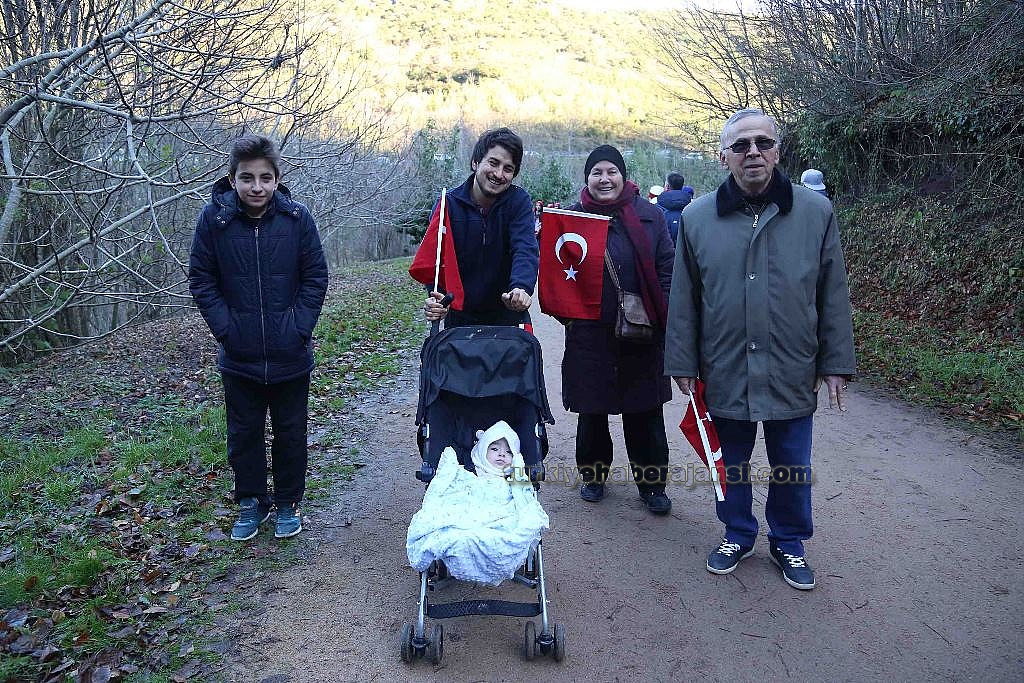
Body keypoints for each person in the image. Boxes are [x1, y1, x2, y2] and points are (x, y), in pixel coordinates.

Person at [664, 109, 855, 590]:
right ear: (724, 156)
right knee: (731, 461)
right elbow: (684, 297)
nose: (753, 152)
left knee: (792, 463)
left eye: (763, 143)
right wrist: (683, 362)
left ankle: (788, 540)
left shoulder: (814, 213)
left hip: (792, 364)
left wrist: (835, 362)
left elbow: (832, 291)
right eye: (741, 145)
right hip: (725, 365)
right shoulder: (697, 218)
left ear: (777, 151)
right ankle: (737, 532)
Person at [189, 134, 328, 541]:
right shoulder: (213, 221)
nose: (256, 187)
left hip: (290, 355)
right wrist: (227, 330)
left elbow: (315, 276)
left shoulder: (297, 219)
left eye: (265, 178)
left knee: (290, 432)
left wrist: (298, 328)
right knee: (244, 434)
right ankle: (251, 501)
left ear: (277, 179)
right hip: (239, 356)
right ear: (232, 178)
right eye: (247, 178)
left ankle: (287, 502)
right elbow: (201, 279)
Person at [560, 145, 675, 515]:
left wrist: (663, 312)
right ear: (587, 178)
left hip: (642, 330)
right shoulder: (573, 218)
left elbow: (667, 267)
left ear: (624, 176)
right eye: (597, 172)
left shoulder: (651, 216)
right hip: (590, 333)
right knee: (592, 411)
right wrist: (569, 315)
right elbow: (557, 274)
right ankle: (593, 476)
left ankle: (652, 485)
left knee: (645, 412)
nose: (604, 179)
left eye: (611, 171)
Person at [406, 421, 550, 585]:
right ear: (482, 450)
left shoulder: (513, 478)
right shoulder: (464, 473)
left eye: (509, 452)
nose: (501, 454)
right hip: (466, 513)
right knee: (453, 533)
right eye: (494, 449)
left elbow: (524, 500)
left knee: (513, 532)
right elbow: (448, 492)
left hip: (500, 518)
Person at [421, 128, 538, 327]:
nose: (498, 174)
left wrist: (520, 287)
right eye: (493, 163)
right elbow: (436, 259)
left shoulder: (519, 202)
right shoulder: (447, 204)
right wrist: (438, 298)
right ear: (475, 162)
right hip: (460, 320)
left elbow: (525, 248)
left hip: (507, 317)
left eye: (508, 168)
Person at [656, 172, 695, 245]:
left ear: (667, 186)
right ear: (682, 186)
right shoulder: (693, 208)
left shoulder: (656, 208)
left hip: (665, 250)